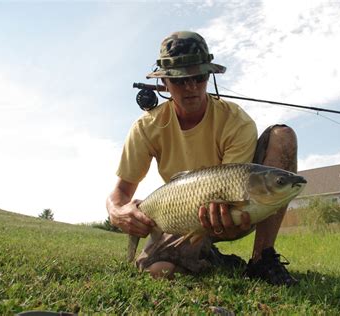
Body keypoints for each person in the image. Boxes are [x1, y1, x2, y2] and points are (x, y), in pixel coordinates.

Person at [106, 31, 298, 286]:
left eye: (199, 77)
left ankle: (262, 258)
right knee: (158, 272)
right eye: (181, 80)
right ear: (164, 82)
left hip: (238, 209)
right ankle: (212, 257)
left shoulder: (235, 121)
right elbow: (121, 191)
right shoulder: (146, 127)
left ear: (209, 75)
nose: (192, 87)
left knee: (282, 136)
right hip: (179, 216)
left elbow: (234, 187)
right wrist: (117, 211)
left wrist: (228, 209)